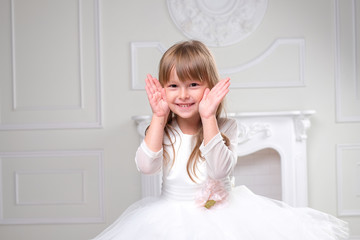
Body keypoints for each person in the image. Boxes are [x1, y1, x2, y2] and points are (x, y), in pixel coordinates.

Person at [93, 40, 349, 239]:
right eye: (173, 86)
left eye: (193, 84)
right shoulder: (163, 130)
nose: (183, 94)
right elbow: (146, 167)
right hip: (169, 217)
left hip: (223, 217)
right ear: (162, 89)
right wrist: (159, 117)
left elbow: (219, 170)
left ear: (210, 87)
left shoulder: (226, 127)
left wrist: (208, 118)